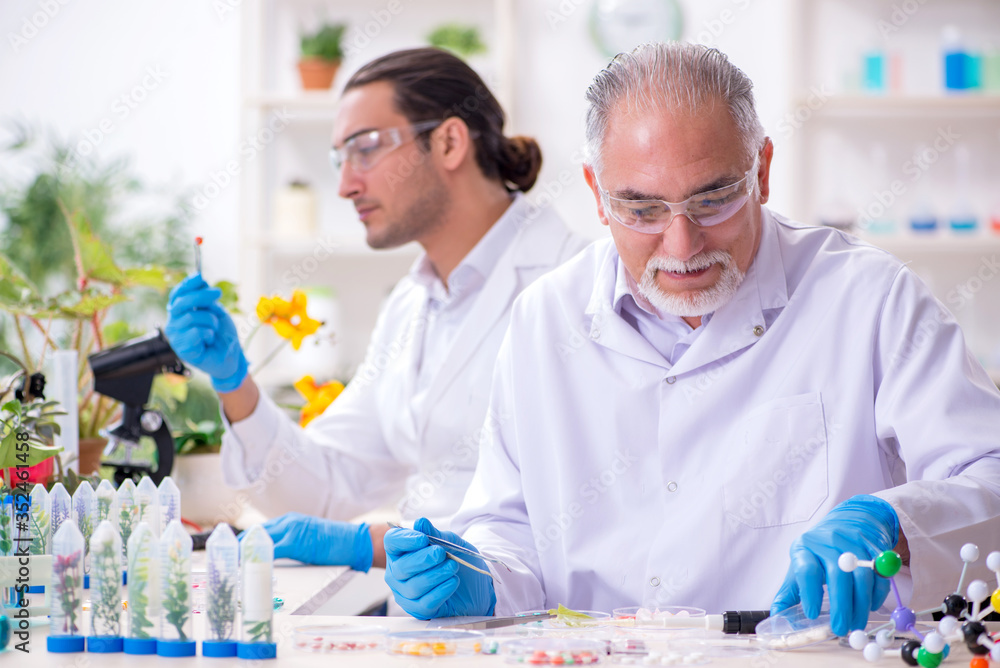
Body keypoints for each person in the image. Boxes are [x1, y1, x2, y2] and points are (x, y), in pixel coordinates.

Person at [382, 42, 1000, 636]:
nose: (681, 245)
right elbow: (510, 525)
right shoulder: (545, 320)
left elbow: (990, 475)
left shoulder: (869, 298)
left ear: (761, 172)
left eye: (712, 200)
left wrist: (894, 523)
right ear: (597, 195)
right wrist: (481, 576)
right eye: (641, 210)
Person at [164, 48, 587, 574]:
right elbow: (328, 487)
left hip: (539, 615)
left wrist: (378, 543)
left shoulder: (577, 286)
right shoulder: (412, 305)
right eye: (339, 159)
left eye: (364, 149)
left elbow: (578, 514)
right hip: (425, 612)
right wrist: (234, 382)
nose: (346, 185)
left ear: (449, 142)